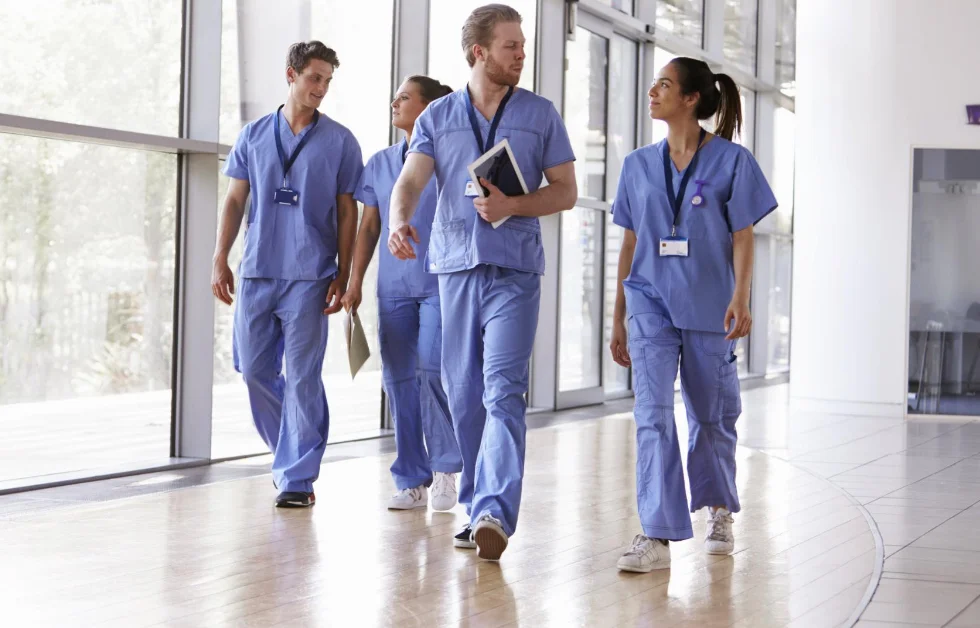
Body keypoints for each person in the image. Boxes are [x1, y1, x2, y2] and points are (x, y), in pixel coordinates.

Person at [387, 4, 577, 561]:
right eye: (511, 46)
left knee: (502, 390)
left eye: (522, 45)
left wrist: (514, 204)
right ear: (479, 53)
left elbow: (564, 190)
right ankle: (475, 505)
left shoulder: (540, 114)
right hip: (454, 269)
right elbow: (410, 182)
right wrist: (400, 221)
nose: (522, 54)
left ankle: (494, 507)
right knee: (465, 394)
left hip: (515, 271)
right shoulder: (438, 117)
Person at [609, 57, 777, 572]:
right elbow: (631, 241)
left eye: (664, 84)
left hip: (710, 304)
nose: (653, 90)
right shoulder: (638, 164)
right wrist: (618, 315)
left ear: (690, 100)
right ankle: (656, 534)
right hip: (649, 303)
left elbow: (743, 234)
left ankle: (719, 508)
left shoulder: (733, 161)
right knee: (652, 415)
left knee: (711, 416)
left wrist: (741, 297)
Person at [212, 41, 363, 509]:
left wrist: (344, 271)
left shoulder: (340, 141)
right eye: (314, 78)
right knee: (254, 370)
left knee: (302, 377)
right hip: (258, 270)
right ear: (291, 75)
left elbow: (347, 211)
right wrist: (220, 256)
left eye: (327, 81)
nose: (321, 88)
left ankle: (297, 476)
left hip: (311, 275)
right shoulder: (254, 134)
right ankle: (289, 453)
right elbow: (236, 200)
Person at [341, 76, 463, 512]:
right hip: (392, 289)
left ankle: (447, 467)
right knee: (398, 382)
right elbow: (369, 227)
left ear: (431, 108)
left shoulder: (450, 160)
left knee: (431, 370)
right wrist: (354, 281)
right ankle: (412, 477)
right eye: (395, 94)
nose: (395, 101)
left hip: (439, 283)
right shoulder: (379, 163)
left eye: (405, 96)